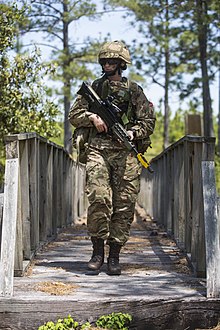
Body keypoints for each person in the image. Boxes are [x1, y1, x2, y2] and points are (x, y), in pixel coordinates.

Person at [68, 40, 156, 275]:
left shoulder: (134, 90)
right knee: (98, 198)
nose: (107, 64)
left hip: (126, 154)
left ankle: (114, 254)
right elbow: (74, 115)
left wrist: (132, 132)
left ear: (121, 64)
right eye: (104, 61)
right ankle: (97, 252)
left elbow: (149, 122)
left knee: (124, 205)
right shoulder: (95, 88)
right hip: (97, 150)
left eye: (112, 61)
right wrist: (92, 117)